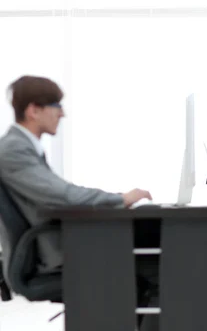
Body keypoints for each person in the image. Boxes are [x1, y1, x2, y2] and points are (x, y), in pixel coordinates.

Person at [0, 75, 158, 331]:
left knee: (147, 256)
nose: (62, 114)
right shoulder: (13, 150)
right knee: (143, 267)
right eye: (57, 106)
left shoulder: (24, 148)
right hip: (44, 259)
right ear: (33, 110)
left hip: (56, 247)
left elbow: (61, 194)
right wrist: (120, 199)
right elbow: (63, 195)